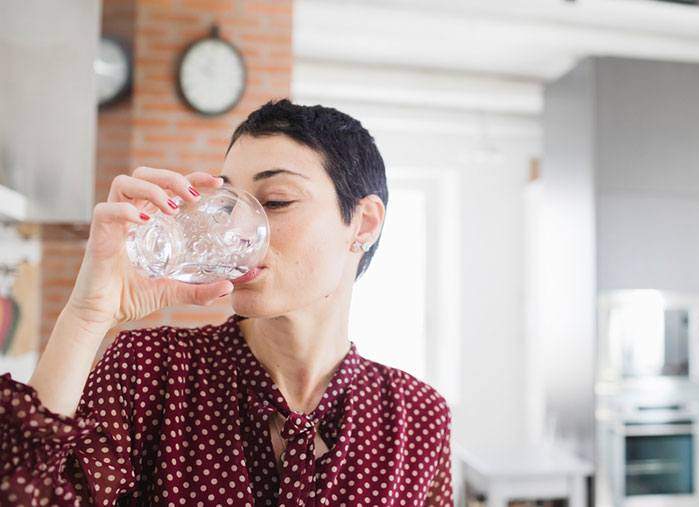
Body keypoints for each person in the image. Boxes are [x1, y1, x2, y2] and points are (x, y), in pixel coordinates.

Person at [0, 99, 453, 506]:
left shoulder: (419, 419)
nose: (238, 229)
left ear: (364, 223)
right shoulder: (150, 372)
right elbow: (24, 495)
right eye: (229, 203)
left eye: (276, 201)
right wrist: (88, 314)